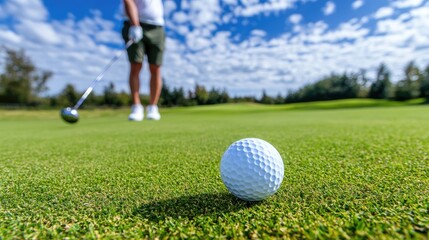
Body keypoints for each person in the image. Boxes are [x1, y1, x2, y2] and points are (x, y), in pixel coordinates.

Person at [122, 0, 165, 121]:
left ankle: (153, 107)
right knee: (136, 65)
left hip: (157, 26)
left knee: (156, 67)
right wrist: (135, 24)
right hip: (135, 23)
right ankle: (136, 107)